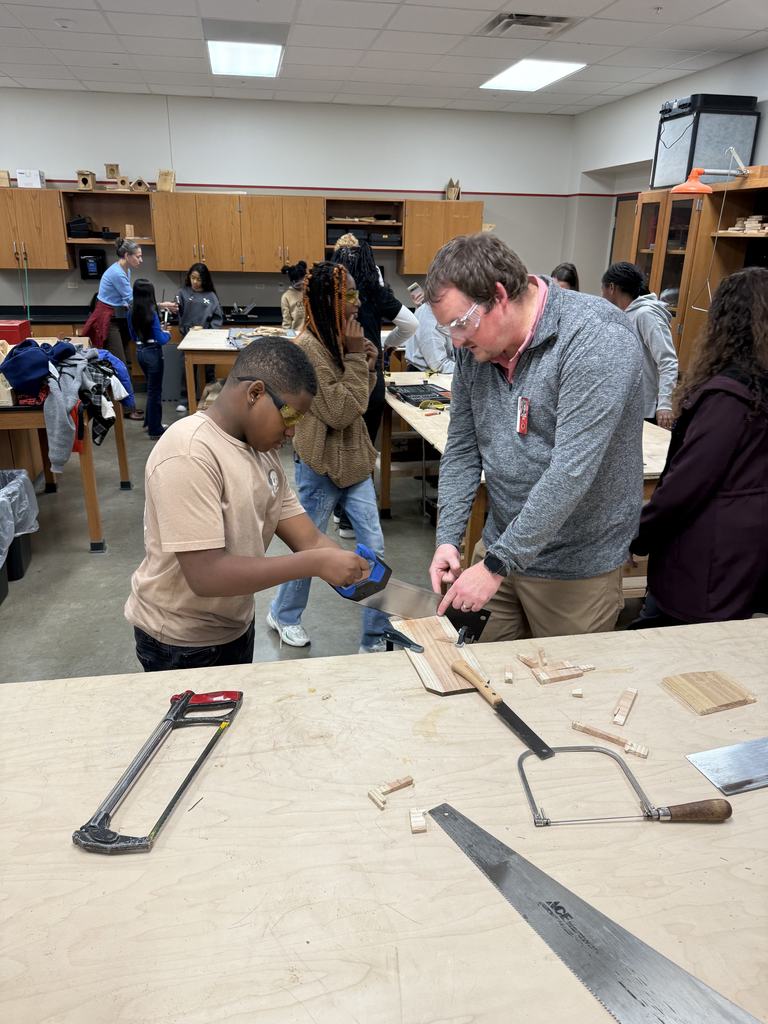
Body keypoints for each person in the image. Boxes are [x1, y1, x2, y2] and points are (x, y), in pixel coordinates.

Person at [425, 233, 644, 642]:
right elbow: (461, 450)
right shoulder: (475, 350)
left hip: (577, 567)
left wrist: (495, 565)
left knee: (561, 695)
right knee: (477, 673)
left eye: (459, 324)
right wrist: (448, 540)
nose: (456, 341)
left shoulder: (595, 336)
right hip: (500, 548)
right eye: (447, 330)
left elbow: (571, 471)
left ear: (499, 295)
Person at [124, 338, 370, 672]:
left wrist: (360, 573)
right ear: (255, 393)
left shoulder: (261, 452)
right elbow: (207, 576)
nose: (292, 432)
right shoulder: (189, 452)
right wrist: (313, 563)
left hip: (234, 625)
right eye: (290, 416)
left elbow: (309, 539)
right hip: (180, 642)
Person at [629, 267, 768, 628]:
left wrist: (637, 534)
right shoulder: (755, 389)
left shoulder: (730, 395)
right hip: (743, 551)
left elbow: (687, 485)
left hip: (708, 558)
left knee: (664, 638)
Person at [267, 261, 391, 654]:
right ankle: (283, 615)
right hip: (320, 466)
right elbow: (338, 410)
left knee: (374, 548)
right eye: (348, 296)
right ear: (327, 301)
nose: (357, 303)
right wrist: (357, 360)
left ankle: (373, 638)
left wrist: (368, 366)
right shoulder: (307, 349)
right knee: (312, 552)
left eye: (356, 294)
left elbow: (358, 402)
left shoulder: (343, 339)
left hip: (354, 464)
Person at [331, 239, 417, 538]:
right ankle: (351, 520)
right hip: (369, 378)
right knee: (363, 449)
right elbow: (410, 324)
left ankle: (340, 510)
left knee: (337, 445)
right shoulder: (376, 291)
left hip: (338, 378)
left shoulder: (331, 294)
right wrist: (385, 346)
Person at [81, 238, 175, 419]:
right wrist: (161, 306)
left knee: (126, 364)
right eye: (138, 257)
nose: (141, 260)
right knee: (119, 364)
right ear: (127, 255)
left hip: (119, 318)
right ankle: (126, 409)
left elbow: (130, 301)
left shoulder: (126, 269)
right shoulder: (116, 273)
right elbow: (134, 302)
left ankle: (128, 405)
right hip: (108, 321)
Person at [601, 262, 678, 429]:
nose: (602, 295)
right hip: (625, 405)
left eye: (603, 289)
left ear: (612, 287)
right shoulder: (623, 313)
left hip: (646, 410)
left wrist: (665, 404)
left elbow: (668, 360)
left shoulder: (646, 314)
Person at [175, 262, 224, 409]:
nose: (195, 282)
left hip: (207, 338)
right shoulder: (182, 293)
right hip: (189, 338)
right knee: (187, 368)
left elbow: (217, 317)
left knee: (209, 369)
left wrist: (209, 331)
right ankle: (185, 399)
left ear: (205, 280)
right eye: (193, 278)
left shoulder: (211, 296)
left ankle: (211, 398)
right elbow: (178, 312)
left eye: (199, 279)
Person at [128, 278, 170, 440]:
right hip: (153, 354)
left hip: (140, 353)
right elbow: (161, 339)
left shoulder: (131, 311)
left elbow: (133, 335)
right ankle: (155, 429)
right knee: (155, 392)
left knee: (150, 390)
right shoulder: (152, 313)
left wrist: (156, 332)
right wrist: (166, 333)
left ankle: (149, 423)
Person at [398, 288, 455, 373]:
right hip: (425, 376)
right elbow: (439, 365)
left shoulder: (436, 310)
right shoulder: (431, 319)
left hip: (430, 373)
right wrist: (467, 370)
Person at [281, 260, 307, 333]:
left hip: (311, 334)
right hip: (296, 333)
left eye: (302, 280)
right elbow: (286, 321)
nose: (301, 283)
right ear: (292, 281)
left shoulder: (309, 292)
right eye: (297, 282)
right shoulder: (286, 296)